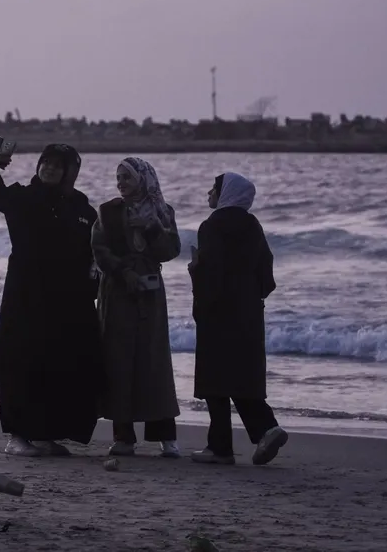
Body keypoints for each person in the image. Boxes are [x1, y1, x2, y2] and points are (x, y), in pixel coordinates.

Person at [0, 142, 103, 457]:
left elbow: (94, 255)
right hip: (25, 294)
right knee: (19, 360)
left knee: (59, 361)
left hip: (68, 299)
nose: (49, 168)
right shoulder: (23, 197)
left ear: (70, 172)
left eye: (58, 165)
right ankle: (16, 436)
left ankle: (45, 434)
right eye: (45, 162)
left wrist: (94, 284)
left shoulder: (83, 209)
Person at [187, 172, 289, 465]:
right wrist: (253, 297)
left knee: (215, 380)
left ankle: (221, 447)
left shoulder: (211, 226)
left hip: (218, 313)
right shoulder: (252, 225)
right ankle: (266, 429)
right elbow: (267, 273)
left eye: (214, 188)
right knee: (242, 377)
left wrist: (195, 272)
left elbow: (212, 271)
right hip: (248, 313)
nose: (209, 193)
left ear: (226, 193)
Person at [91, 157, 182, 458]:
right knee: (118, 360)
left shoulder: (162, 211)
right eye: (118, 177)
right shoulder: (108, 211)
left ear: (143, 179)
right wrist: (123, 271)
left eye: (127, 177)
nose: (121, 183)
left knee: (153, 361)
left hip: (150, 293)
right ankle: (123, 436)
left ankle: (165, 436)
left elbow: (171, 250)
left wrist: (152, 228)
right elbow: (99, 249)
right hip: (117, 291)